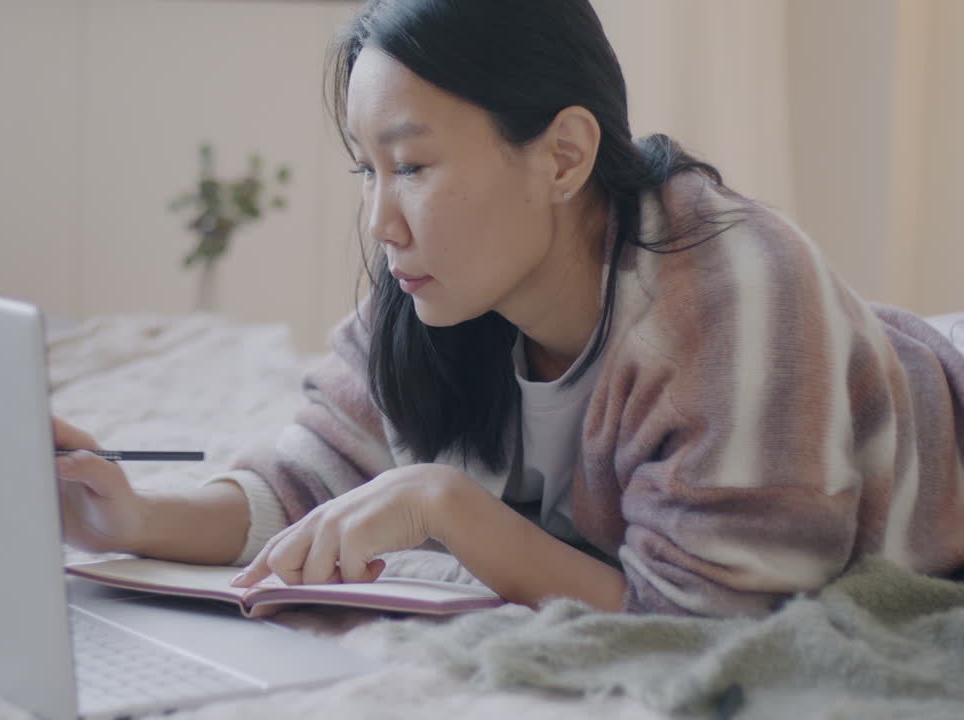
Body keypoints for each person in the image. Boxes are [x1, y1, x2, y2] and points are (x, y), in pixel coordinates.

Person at [54, 0, 964, 617]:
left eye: (412, 167)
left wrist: (449, 507)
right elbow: (312, 478)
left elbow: (716, 616)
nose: (381, 222)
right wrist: (130, 516)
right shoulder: (444, 291)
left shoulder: (735, 296)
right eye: (366, 171)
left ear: (564, 156)